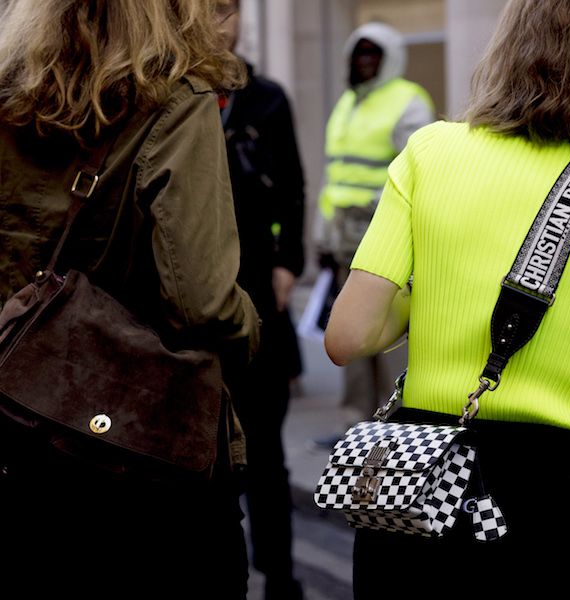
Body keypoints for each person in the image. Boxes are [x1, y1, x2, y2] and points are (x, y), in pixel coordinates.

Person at [323, 0, 570, 597]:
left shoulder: (432, 153)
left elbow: (348, 338)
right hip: (550, 500)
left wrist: (439, 287)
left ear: (512, 52)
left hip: (415, 482)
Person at [0, 1, 259, 599]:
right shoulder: (177, 101)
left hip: (17, 442)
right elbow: (202, 300)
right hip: (142, 462)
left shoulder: (11, 100)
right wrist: (254, 334)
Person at [216, 1, 306, 598]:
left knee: (267, 453)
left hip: (257, 296)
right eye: (212, 9)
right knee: (211, 461)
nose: (224, 22)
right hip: (195, 304)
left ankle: (279, 575)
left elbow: (293, 188)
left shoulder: (267, 97)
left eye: (231, 9)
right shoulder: (167, 96)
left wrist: (287, 262)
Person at [312, 21, 434, 449]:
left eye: (373, 53)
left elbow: (419, 171)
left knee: (388, 335)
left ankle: (397, 427)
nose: (364, 60)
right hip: (345, 235)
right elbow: (335, 174)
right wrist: (323, 237)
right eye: (358, 52)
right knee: (348, 333)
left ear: (390, 58)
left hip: (384, 231)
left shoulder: (408, 101)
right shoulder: (348, 102)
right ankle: (355, 425)